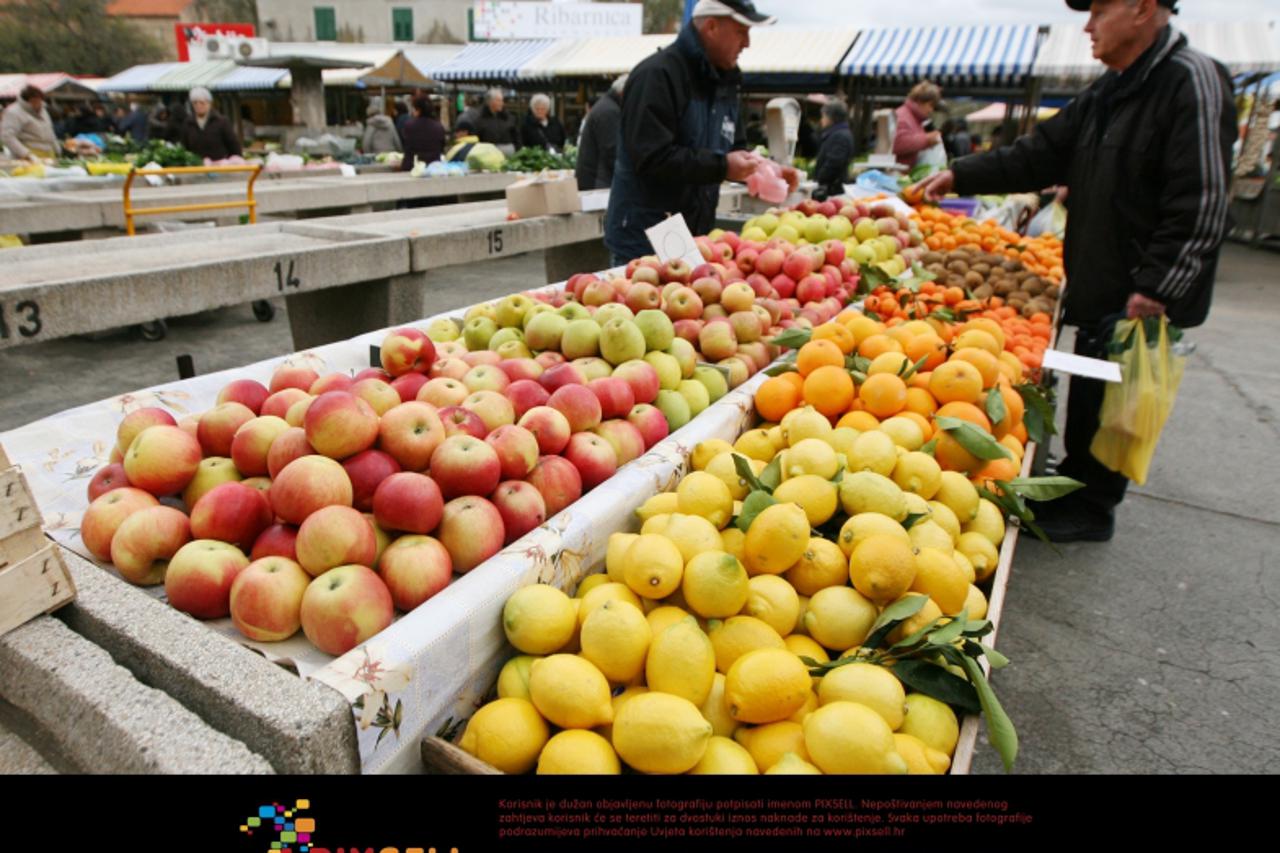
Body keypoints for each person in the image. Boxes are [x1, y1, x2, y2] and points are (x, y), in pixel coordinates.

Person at [912, 0, 1235, 542]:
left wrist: (1156, 288)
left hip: (1138, 292)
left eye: (1100, 10)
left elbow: (1202, 201)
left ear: (1142, 8)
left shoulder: (1190, 81)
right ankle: (1078, 483)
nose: (1088, 25)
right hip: (1100, 282)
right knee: (1089, 390)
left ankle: (1094, 508)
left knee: (1117, 402)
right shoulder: (1112, 90)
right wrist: (961, 175)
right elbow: (1040, 154)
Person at [604, 0, 797, 264]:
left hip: (693, 237)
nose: (747, 43)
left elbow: (734, 149)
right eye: (741, 32)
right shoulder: (657, 75)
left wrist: (766, 170)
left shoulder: (724, 84)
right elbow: (651, 157)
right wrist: (723, 166)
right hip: (646, 238)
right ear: (711, 26)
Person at [575, 75, 625, 190]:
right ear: (623, 93)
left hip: (596, 179)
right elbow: (612, 151)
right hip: (598, 181)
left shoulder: (608, 106)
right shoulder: (609, 111)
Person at [176, 88, 240, 161]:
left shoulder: (222, 121)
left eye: (202, 103)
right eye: (195, 103)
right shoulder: (188, 123)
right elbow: (184, 147)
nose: (198, 105)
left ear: (209, 103)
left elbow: (233, 145)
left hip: (220, 164)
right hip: (196, 165)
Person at [1, 85, 60, 161]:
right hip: (29, 155)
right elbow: (7, 136)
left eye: (39, 100)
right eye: (34, 101)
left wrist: (57, 149)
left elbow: (50, 130)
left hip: (49, 153)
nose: (38, 103)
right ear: (26, 101)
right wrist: (26, 154)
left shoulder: (43, 110)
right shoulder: (13, 112)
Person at [893, 80, 943, 168]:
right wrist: (927, 139)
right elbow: (897, 143)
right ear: (920, 101)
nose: (931, 110)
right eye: (930, 105)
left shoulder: (914, 118)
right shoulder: (902, 116)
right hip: (898, 172)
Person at [812, 99, 854, 200]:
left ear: (831, 117)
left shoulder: (840, 136)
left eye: (823, 116)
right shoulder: (837, 133)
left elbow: (834, 163)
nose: (822, 120)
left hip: (832, 191)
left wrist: (820, 180)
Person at [399, 95, 445, 171]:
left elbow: (405, 145)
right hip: (434, 168)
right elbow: (442, 146)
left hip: (412, 167)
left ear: (418, 110)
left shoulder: (409, 126)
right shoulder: (438, 127)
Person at [475, 88, 520, 155]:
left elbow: (517, 136)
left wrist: (518, 150)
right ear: (490, 102)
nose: (502, 103)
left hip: (509, 155)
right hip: (488, 154)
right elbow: (476, 139)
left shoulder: (509, 118)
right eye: (499, 101)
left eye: (502, 101)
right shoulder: (480, 119)